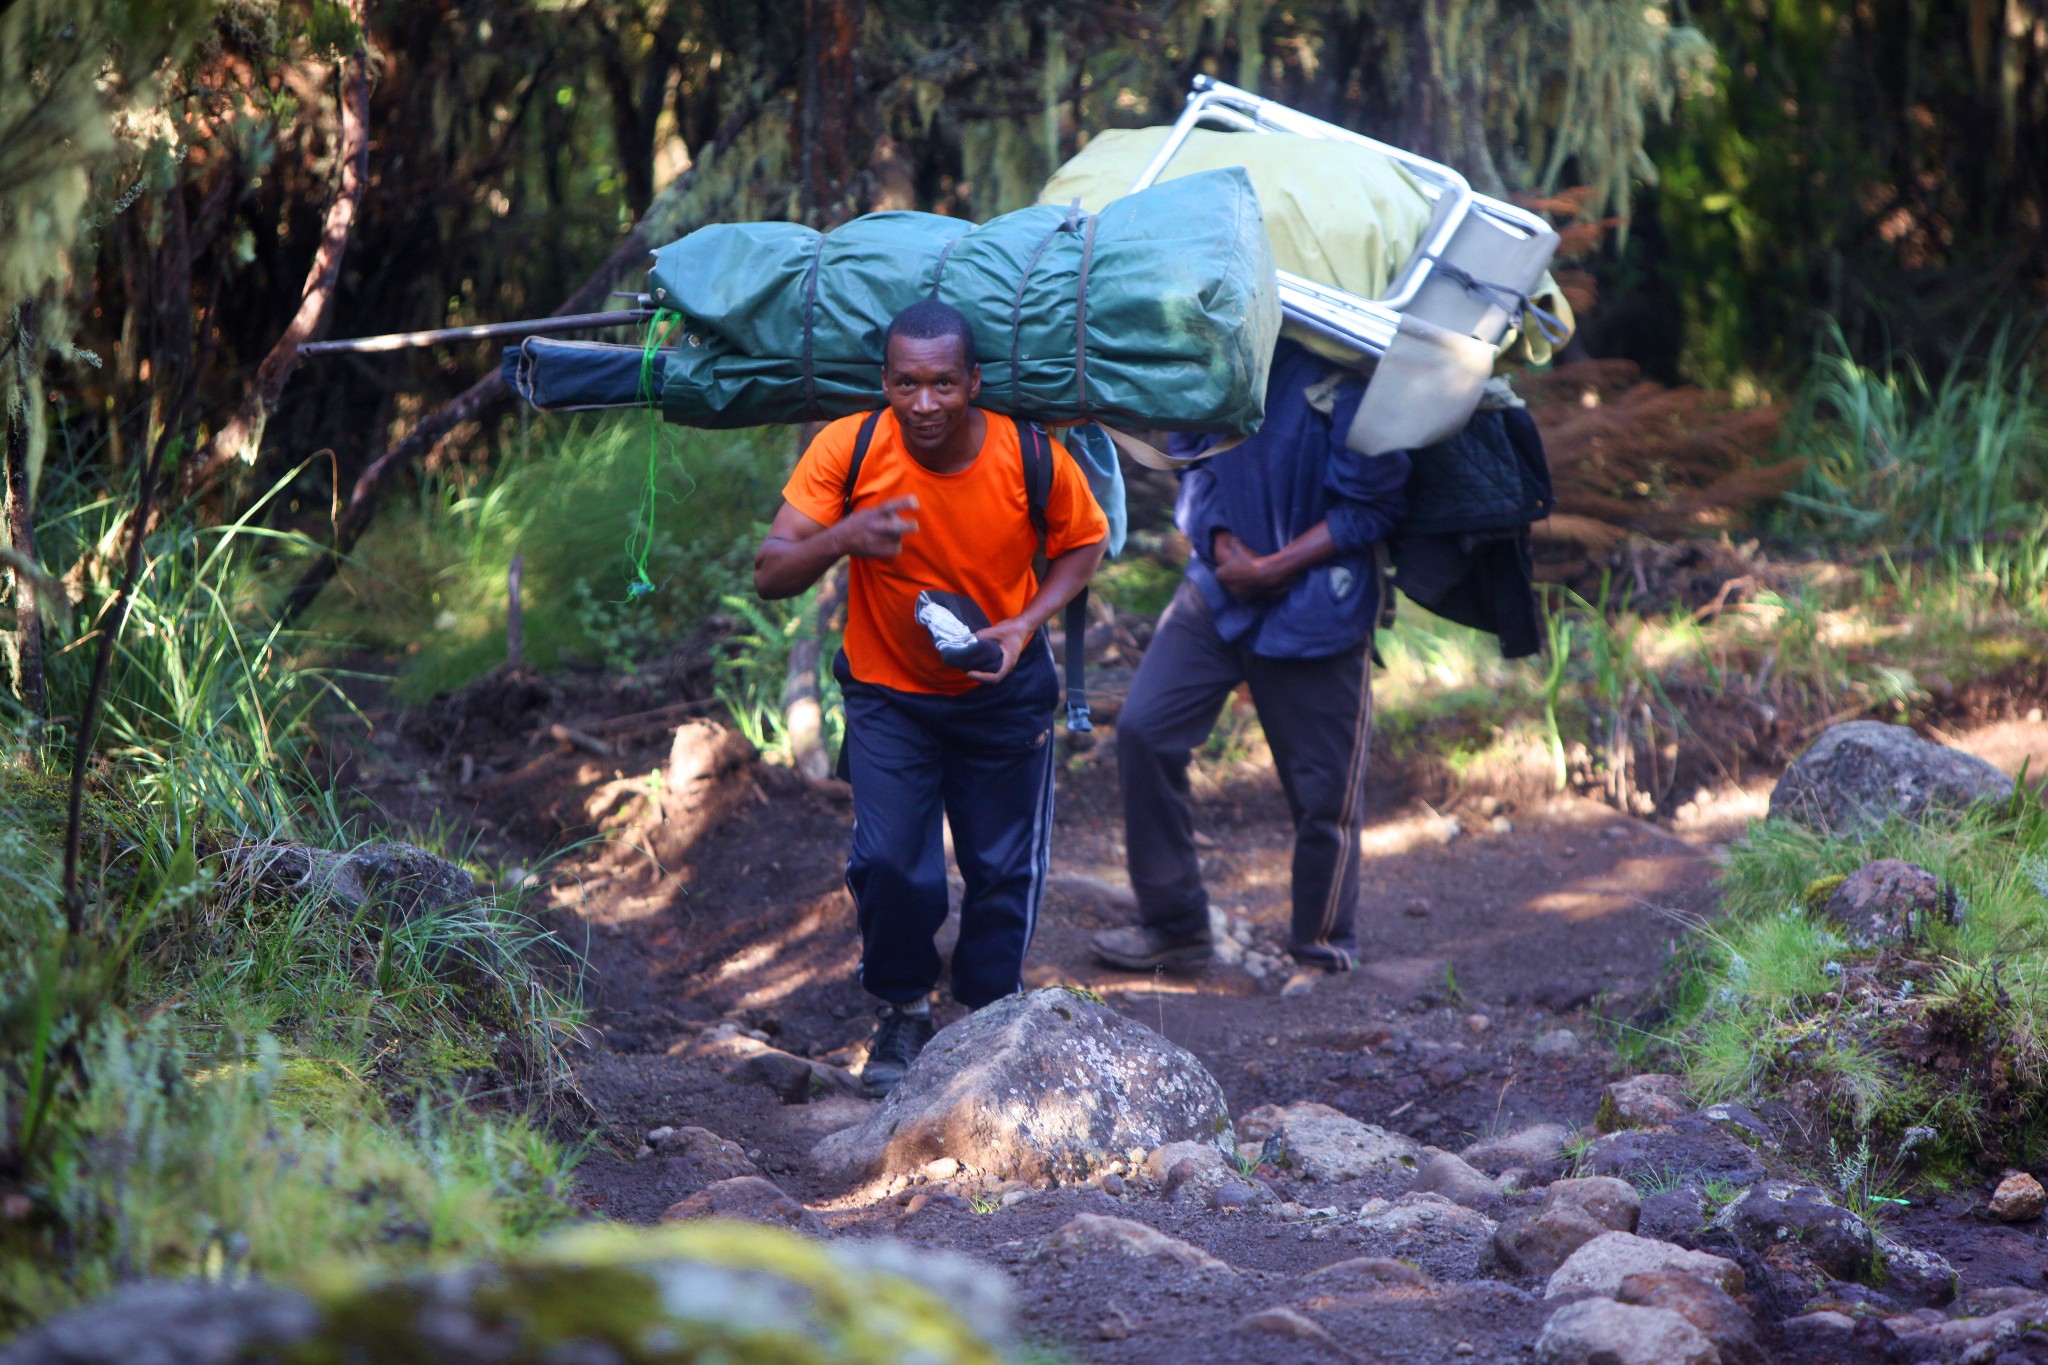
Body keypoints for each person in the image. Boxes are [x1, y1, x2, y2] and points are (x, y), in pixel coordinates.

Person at [753, 299, 1108, 1097]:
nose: (923, 403)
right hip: (889, 696)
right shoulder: (849, 449)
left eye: (942, 383)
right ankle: (905, 1009)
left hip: (1003, 695)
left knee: (1001, 870)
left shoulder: (1029, 455)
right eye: (907, 383)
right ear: (884, 381)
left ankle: (987, 1020)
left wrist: (1023, 626)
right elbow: (771, 570)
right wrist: (845, 535)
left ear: (973, 380)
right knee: (889, 864)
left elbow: (1084, 544)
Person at [1089, 338, 1410, 977]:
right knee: (1144, 730)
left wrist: (1275, 566)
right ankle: (1175, 927)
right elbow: (1191, 463)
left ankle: (1322, 950)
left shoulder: (1350, 368)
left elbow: (1375, 505)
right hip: (1217, 589)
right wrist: (1221, 545)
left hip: (1318, 604)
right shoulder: (1217, 354)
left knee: (1323, 794)